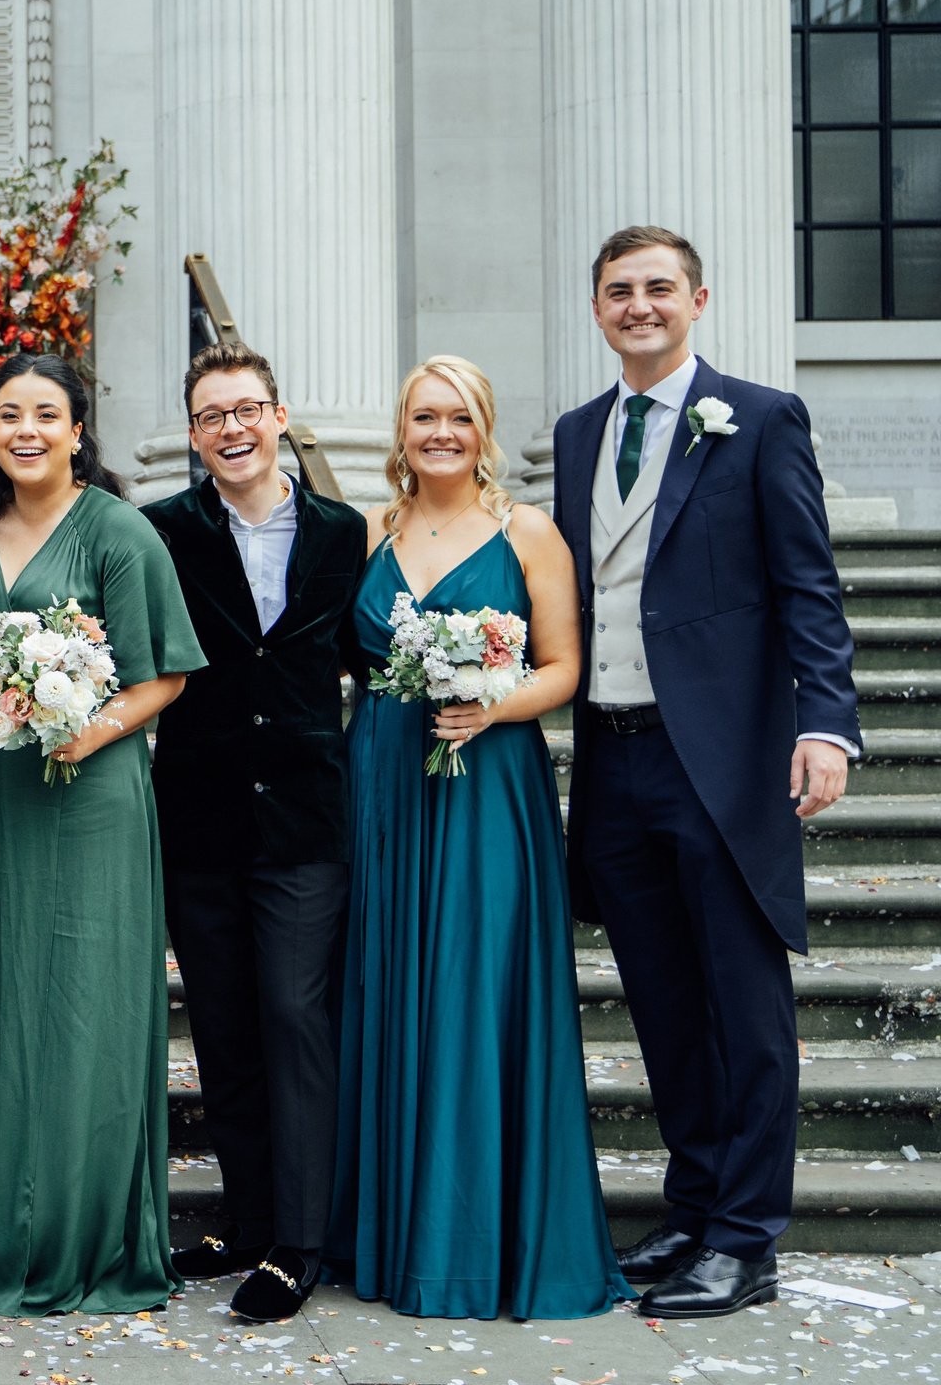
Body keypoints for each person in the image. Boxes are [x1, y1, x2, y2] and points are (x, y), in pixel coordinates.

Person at [551, 227, 859, 1320]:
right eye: (618, 292)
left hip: (721, 763)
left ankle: (744, 1239)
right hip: (615, 761)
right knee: (665, 1008)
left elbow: (807, 588)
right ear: (595, 309)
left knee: (744, 1009)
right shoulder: (579, 432)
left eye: (657, 290)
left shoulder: (761, 418)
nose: (638, 307)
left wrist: (823, 724)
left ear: (697, 300)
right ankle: (689, 1211)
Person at [329, 355, 629, 1321]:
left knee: (475, 990)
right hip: (381, 779)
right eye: (424, 416)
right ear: (402, 430)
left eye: (459, 416)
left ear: (485, 425)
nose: (441, 432)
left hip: (489, 783)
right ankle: (389, 1233)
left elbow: (564, 667)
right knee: (389, 987)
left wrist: (489, 702)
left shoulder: (527, 530)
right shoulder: (371, 529)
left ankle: (474, 1245)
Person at [0, 353, 202, 1317]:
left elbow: (165, 675)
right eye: (8, 415)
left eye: (47, 414)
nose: (25, 429)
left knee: (83, 1008)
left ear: (79, 430)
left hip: (91, 793)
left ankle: (81, 1232)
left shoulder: (120, 529)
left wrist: (92, 725)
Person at [143, 342, 366, 1322]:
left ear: (279, 418)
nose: (231, 429)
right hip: (198, 814)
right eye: (210, 416)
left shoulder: (343, 532)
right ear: (193, 437)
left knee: (292, 1018)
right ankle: (244, 1220)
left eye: (246, 410)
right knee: (226, 1029)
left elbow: (370, 649)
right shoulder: (161, 533)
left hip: (306, 818)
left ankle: (298, 1243)